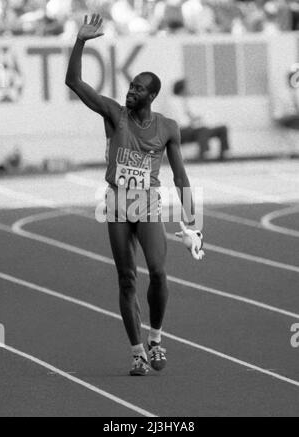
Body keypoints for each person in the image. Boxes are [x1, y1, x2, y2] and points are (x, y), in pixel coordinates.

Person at [65, 13, 203, 376]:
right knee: (127, 278)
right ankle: (138, 351)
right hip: (117, 202)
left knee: (157, 272)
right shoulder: (114, 114)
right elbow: (74, 81)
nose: (131, 92)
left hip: (146, 203)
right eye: (130, 86)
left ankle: (157, 339)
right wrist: (80, 41)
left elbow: (181, 177)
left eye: (138, 89)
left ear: (152, 96)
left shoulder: (167, 128)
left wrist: (193, 223)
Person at [171, 79, 230, 161]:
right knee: (202, 130)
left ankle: (224, 155)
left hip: (196, 130)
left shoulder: (188, 101)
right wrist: (195, 122)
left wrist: (197, 120)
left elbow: (199, 117)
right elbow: (181, 122)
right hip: (182, 132)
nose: (190, 89)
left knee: (222, 128)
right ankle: (204, 154)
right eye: (187, 87)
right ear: (182, 89)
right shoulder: (174, 102)